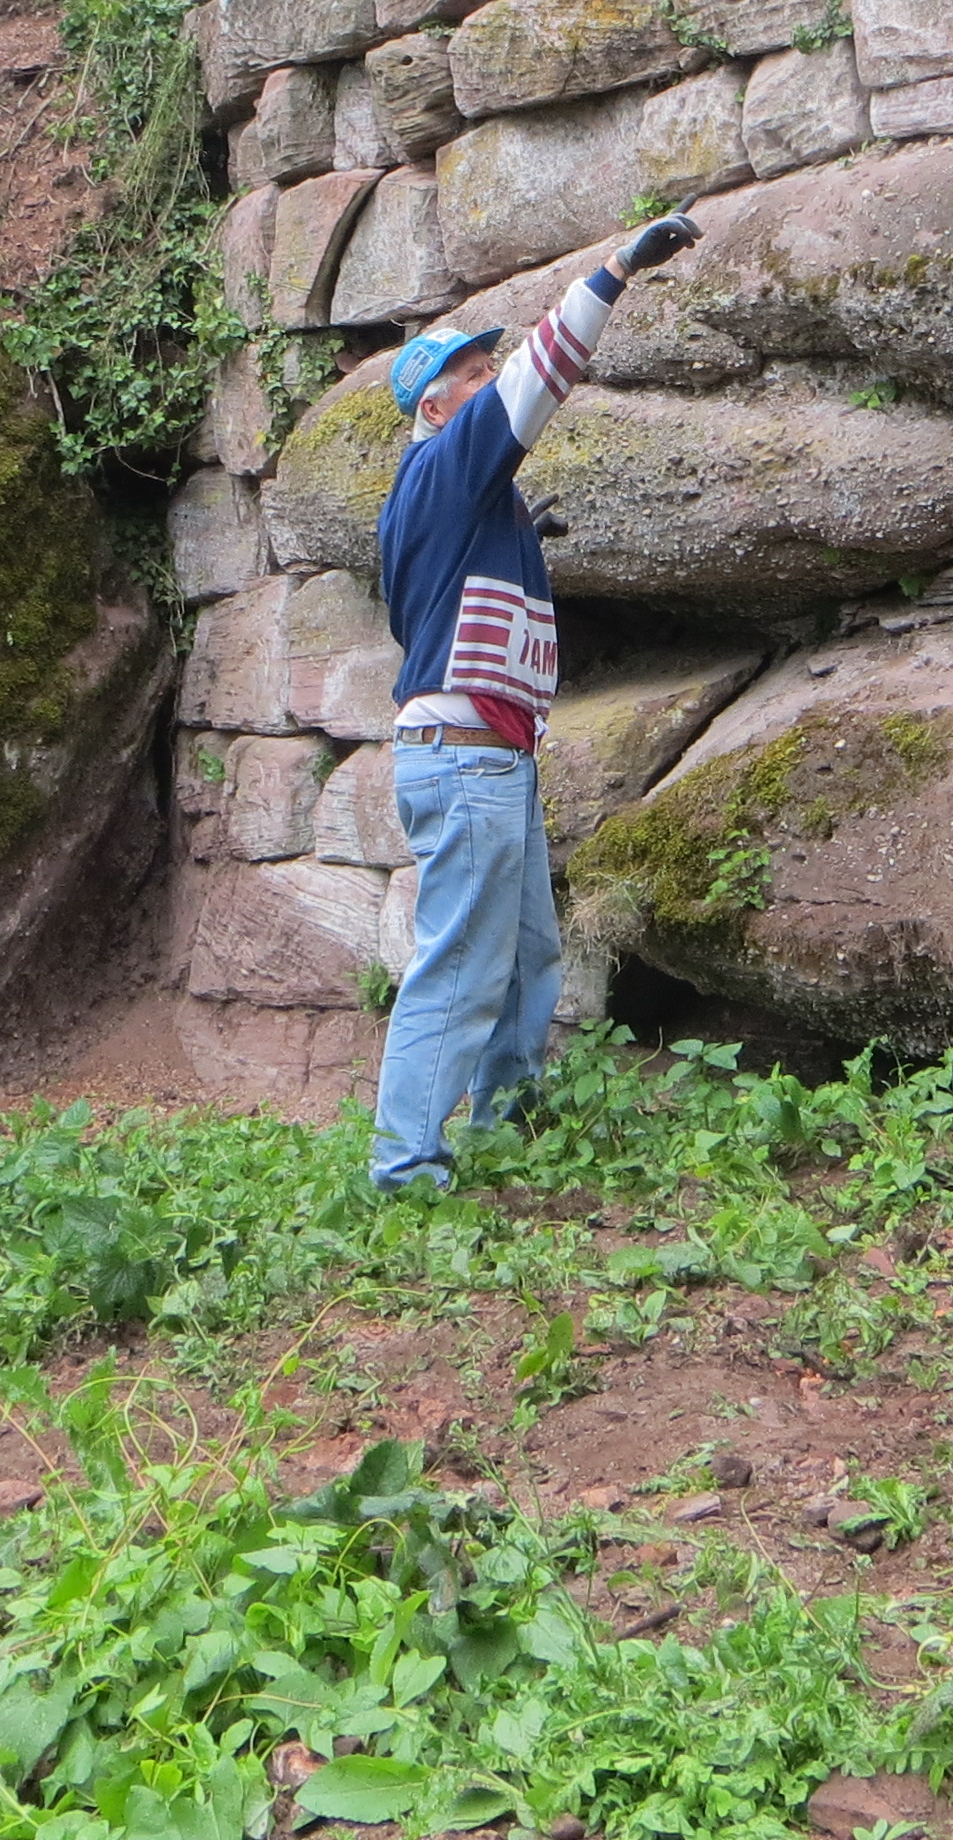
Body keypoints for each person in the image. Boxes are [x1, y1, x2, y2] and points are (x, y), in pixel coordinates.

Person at [368, 210, 706, 1190]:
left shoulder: (448, 494)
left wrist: (517, 535)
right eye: (472, 375)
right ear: (437, 407)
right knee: (461, 965)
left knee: (524, 957)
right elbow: (540, 375)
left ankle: (505, 1134)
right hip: (465, 756)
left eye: (487, 366)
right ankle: (405, 1167)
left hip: (491, 757)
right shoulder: (446, 460)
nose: (489, 378)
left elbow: (433, 602)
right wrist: (612, 272)